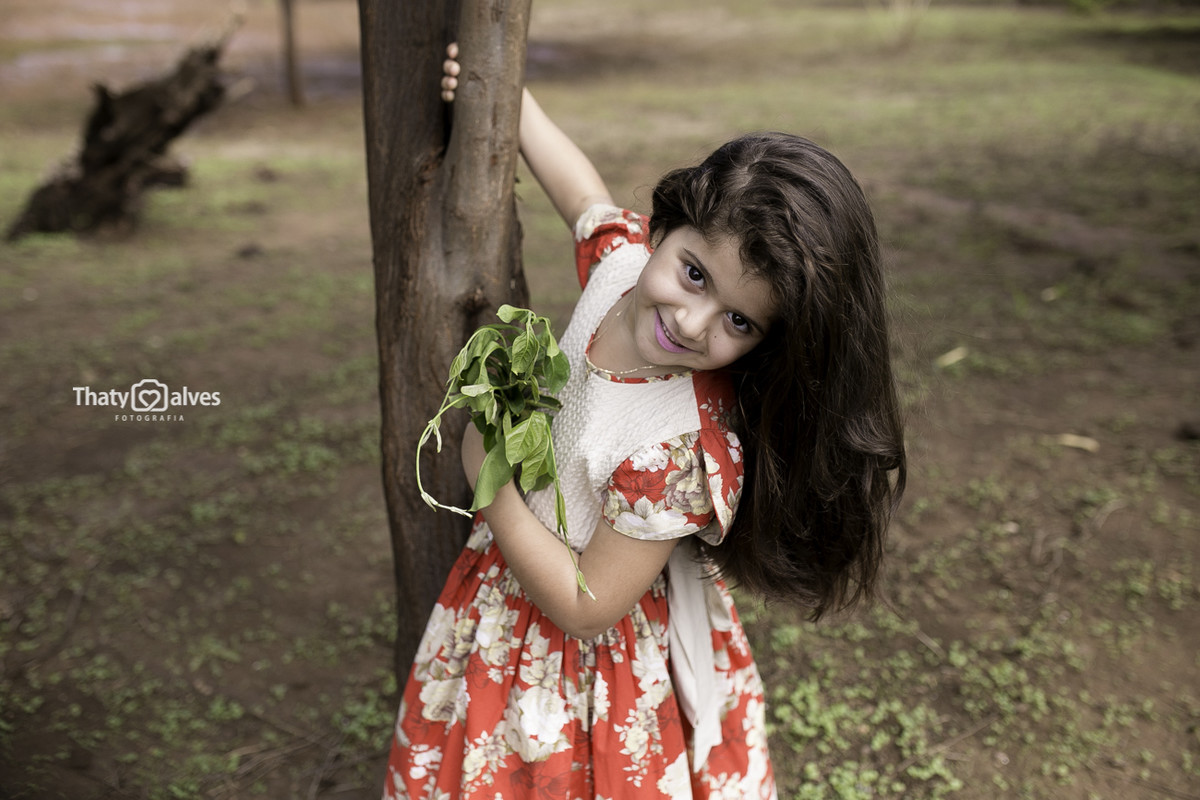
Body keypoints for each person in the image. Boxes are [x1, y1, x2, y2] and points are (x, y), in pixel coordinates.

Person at [382, 44, 907, 800]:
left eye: (739, 320)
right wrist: (511, 105)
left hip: (583, 653)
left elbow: (589, 606)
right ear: (666, 228)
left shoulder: (677, 445)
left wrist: (487, 480)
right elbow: (582, 195)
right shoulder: (623, 268)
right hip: (507, 593)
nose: (691, 322)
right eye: (694, 273)